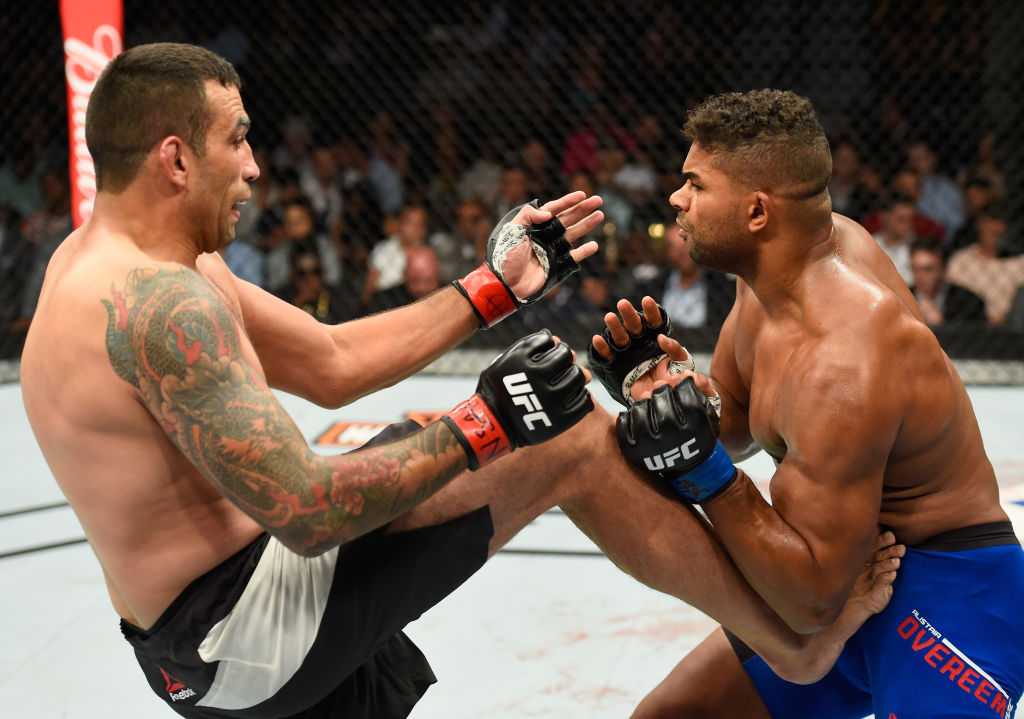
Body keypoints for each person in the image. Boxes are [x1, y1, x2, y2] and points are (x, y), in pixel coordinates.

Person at [20, 45, 899, 719]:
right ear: (176, 159)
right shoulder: (155, 306)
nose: (253, 165)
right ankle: (791, 647)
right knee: (571, 439)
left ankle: (785, 644)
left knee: (433, 436)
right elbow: (309, 510)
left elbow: (330, 364)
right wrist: (484, 423)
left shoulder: (136, 263)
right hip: (233, 631)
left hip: (231, 596)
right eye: (237, 139)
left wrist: (497, 289)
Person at [588, 89, 1024, 719]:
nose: (676, 200)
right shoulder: (770, 276)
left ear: (757, 212)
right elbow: (736, 418)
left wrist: (703, 470)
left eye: (695, 185)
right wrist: (667, 392)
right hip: (846, 571)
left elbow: (811, 601)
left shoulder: (845, 361)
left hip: (948, 592)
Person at [909, 236, 986, 325]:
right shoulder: (901, 299)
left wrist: (942, 325)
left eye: (927, 269)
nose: (919, 276)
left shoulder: (969, 302)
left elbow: (974, 337)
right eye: (915, 269)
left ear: (943, 270)